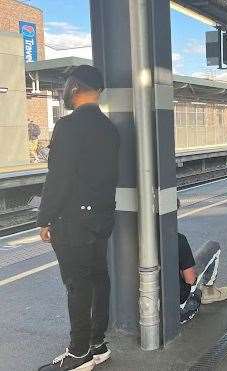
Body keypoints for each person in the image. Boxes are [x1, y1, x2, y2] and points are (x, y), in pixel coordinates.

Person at [37, 65, 120, 371]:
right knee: (99, 278)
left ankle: (79, 353)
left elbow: (58, 177)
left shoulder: (68, 126)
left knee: (77, 284)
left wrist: (44, 219)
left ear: (74, 89)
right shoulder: (109, 128)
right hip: (101, 218)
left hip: (72, 220)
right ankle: (97, 345)